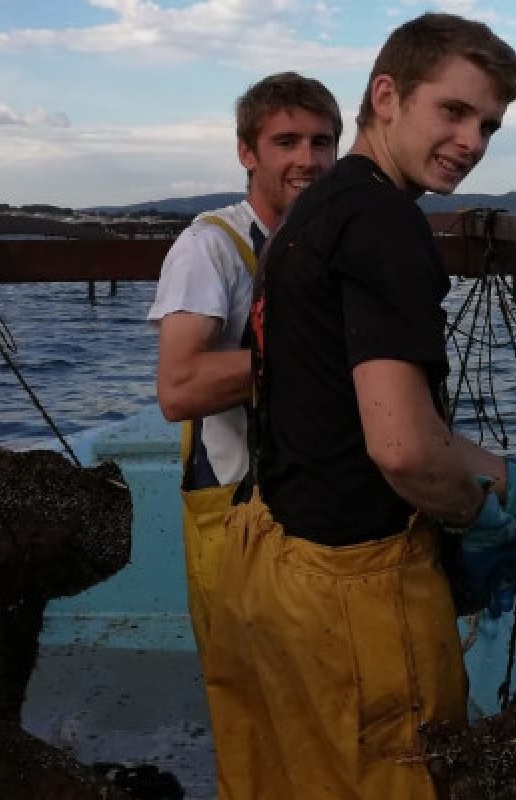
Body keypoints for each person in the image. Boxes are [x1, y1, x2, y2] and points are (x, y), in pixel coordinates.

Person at [208, 13, 516, 800]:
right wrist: (479, 523)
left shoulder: (311, 212)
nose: (473, 141)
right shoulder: (385, 224)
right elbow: (404, 449)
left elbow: (374, 413)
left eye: (489, 125)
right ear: (387, 95)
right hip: (360, 591)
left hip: (281, 564)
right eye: (453, 111)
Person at [146, 72, 341, 661]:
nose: (307, 160)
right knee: (253, 706)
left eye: (321, 142)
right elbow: (178, 388)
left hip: (320, 510)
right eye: (286, 142)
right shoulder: (210, 247)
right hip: (236, 515)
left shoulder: (328, 244)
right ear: (246, 152)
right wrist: (311, 355)